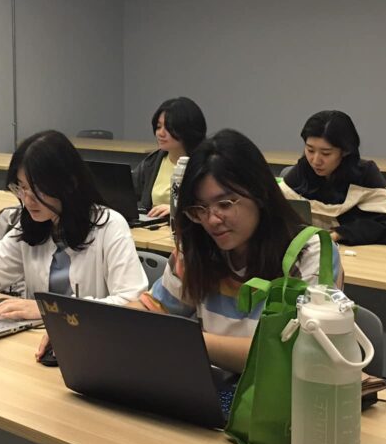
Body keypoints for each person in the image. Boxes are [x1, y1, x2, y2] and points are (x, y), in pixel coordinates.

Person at [135, 129, 343, 373]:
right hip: (209, 383)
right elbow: (153, 309)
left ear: (259, 193)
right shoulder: (199, 245)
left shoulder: (309, 251)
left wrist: (188, 340)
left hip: (278, 391)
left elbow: (292, 352)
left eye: (225, 204)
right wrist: (116, 321)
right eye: (199, 208)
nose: (212, 220)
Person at [0, 131, 148, 349]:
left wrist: (50, 309)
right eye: (21, 187)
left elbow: (131, 301)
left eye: (38, 190)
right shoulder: (32, 225)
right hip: (38, 343)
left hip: (95, 344)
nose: (28, 200)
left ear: (69, 184)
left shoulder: (109, 225)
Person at [281, 110, 386, 245]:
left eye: (326, 153)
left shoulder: (364, 175)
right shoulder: (303, 170)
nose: (315, 161)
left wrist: (341, 234)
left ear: (345, 151)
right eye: (310, 150)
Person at [132, 97, 207, 218]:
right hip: (154, 225)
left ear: (187, 130)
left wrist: (177, 210)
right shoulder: (152, 162)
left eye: (169, 128)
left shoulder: (204, 165)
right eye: (158, 127)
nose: (160, 133)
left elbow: (210, 207)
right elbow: (127, 192)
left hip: (186, 226)